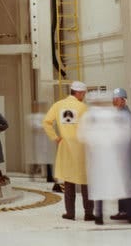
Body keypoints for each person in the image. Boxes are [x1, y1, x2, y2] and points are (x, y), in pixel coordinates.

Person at [78, 91, 131, 225]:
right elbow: (126, 133)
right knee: (120, 185)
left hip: (97, 158)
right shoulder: (115, 114)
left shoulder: (89, 115)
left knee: (100, 187)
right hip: (115, 158)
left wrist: (93, 143)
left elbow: (81, 135)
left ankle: (99, 216)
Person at [43, 80, 94, 222]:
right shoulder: (83, 108)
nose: (83, 96)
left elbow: (46, 122)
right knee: (86, 182)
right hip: (82, 147)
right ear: (78, 93)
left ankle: (70, 213)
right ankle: (89, 213)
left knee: (69, 181)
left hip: (65, 147)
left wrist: (56, 138)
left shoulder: (58, 105)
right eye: (83, 93)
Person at [109, 88, 131, 222]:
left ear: (123, 100)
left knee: (127, 183)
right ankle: (126, 211)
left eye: (117, 99)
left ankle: (130, 213)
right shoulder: (121, 113)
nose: (115, 102)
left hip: (124, 154)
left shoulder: (125, 115)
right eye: (114, 100)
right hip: (122, 154)